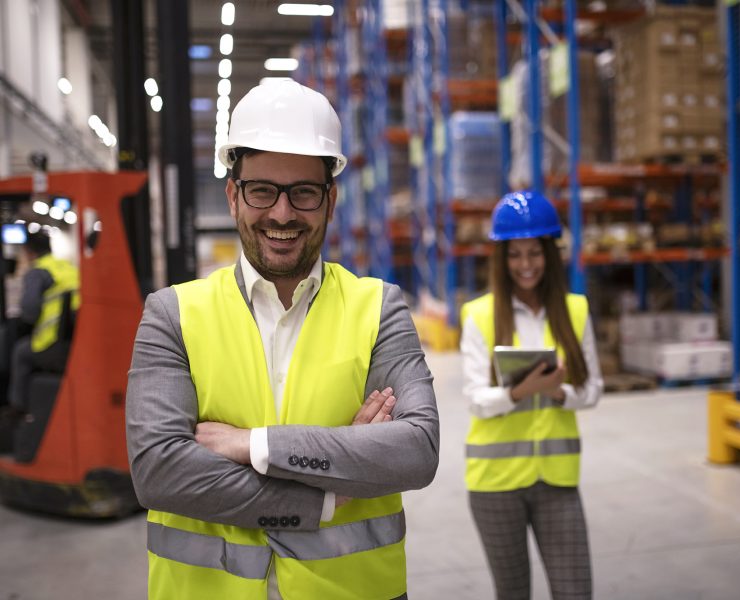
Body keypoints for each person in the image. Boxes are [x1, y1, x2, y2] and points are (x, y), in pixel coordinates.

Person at [126, 78, 439, 600]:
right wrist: (326, 493)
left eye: (304, 192)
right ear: (233, 196)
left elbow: (416, 452)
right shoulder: (173, 315)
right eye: (262, 190)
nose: (282, 213)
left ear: (330, 200)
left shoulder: (379, 308)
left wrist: (253, 444)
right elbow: (159, 472)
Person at [459, 190, 603, 600]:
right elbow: (475, 398)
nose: (526, 264)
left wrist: (559, 394)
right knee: (513, 593)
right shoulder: (480, 315)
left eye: (535, 253)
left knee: (575, 591)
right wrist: (520, 392)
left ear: (550, 255)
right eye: (516, 255)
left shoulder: (575, 310)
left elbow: (592, 389)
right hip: (494, 484)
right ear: (502, 259)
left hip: (557, 480)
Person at [7, 230, 79, 415]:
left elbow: (29, 313)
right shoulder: (68, 267)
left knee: (19, 352)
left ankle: (17, 409)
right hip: (73, 340)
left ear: (29, 252)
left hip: (50, 342)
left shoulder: (38, 272)